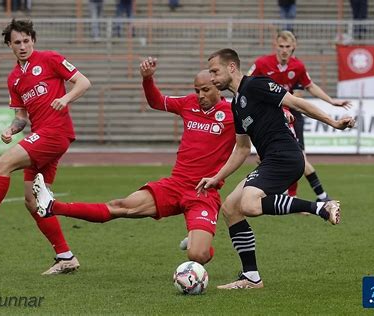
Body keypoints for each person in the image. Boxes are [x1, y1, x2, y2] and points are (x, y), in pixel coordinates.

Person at [32, 56, 237, 265]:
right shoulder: (188, 103)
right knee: (120, 206)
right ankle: (52, 205)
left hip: (204, 192)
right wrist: (147, 79)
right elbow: (156, 101)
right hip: (175, 185)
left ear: (218, 87)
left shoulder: (232, 113)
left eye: (205, 90)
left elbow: (249, 140)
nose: (200, 95)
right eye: (197, 90)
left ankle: (198, 241)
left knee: (197, 255)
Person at [197, 48, 355, 289]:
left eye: (215, 71)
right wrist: (216, 177)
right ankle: (251, 277)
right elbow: (241, 149)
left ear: (231, 67)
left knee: (249, 204)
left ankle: (321, 207)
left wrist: (333, 122)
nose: (212, 77)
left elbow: (297, 103)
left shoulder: (256, 85)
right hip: (272, 159)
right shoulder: (237, 104)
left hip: (286, 156)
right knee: (230, 208)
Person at [0, 19, 91, 275]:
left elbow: (83, 82)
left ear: (33, 40)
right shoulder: (14, 79)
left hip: (55, 133)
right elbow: (21, 117)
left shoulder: (50, 58)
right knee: (34, 200)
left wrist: (65, 98)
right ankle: (65, 256)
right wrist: (11, 129)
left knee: (2, 163)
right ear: (9, 45)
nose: (23, 46)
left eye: (26, 41)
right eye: (17, 42)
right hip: (40, 135)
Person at [247, 30, 351, 201]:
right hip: (270, 117)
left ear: (294, 46)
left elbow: (310, 86)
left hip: (292, 116)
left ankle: (318, 196)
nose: (284, 50)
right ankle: (288, 195)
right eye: (281, 46)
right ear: (275, 46)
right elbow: (245, 83)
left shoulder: (298, 67)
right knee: (267, 158)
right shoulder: (261, 64)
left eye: (287, 46)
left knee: (298, 158)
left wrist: (331, 101)